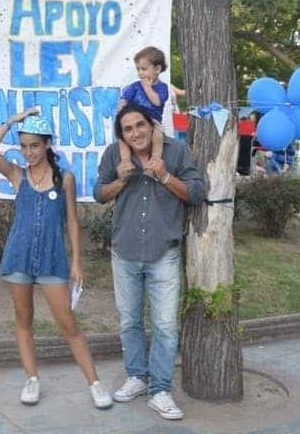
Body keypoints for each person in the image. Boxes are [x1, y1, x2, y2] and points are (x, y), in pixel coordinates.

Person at [0, 108, 113, 410]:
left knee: (68, 323)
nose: (29, 152)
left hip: (52, 260)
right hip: (18, 258)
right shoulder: (18, 175)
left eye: (35, 145)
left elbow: (71, 222)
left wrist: (77, 261)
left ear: (47, 144)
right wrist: (13, 121)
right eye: (25, 146)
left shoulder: (64, 178)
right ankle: (31, 378)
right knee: (23, 318)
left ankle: (94, 383)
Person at [93, 103, 206, 420]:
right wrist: (120, 180)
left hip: (163, 253)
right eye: (127, 129)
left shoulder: (177, 151)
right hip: (124, 251)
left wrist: (165, 175)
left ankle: (160, 390)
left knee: (166, 327)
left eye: (139, 125)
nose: (135, 133)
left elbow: (196, 193)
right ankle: (137, 378)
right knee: (129, 321)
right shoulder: (115, 156)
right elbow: (99, 193)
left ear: (151, 125)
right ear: (122, 134)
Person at [117, 46, 170, 178]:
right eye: (138, 69)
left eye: (144, 69)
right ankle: (126, 162)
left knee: (158, 136)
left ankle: (154, 162)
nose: (140, 73)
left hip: (153, 121)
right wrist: (121, 107)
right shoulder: (135, 86)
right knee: (122, 137)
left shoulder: (162, 88)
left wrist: (147, 87)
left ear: (157, 69)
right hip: (135, 119)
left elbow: (157, 102)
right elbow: (125, 99)